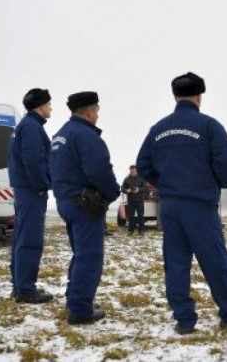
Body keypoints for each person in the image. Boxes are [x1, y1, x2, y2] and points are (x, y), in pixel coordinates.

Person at [136, 72, 227, 335]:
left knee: (176, 263)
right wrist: (217, 182)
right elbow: (226, 159)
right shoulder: (209, 126)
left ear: (175, 96)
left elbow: (143, 164)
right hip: (200, 206)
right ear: (199, 96)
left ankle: (184, 320)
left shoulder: (158, 129)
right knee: (215, 261)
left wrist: (166, 183)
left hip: (170, 207)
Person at [50, 92, 120, 324]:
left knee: (80, 254)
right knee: (89, 257)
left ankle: (76, 299)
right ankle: (80, 310)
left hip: (66, 201)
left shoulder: (61, 135)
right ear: (89, 111)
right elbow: (99, 171)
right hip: (84, 205)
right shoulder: (87, 137)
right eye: (97, 110)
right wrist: (113, 192)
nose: (98, 115)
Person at [8, 88, 53, 304]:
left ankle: (19, 285)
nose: (51, 107)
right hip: (31, 190)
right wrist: (43, 185)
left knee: (21, 237)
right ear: (40, 106)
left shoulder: (26, 126)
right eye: (49, 104)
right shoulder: (32, 127)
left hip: (24, 189)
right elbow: (34, 161)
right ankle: (25, 289)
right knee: (30, 239)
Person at [121, 165, 148, 235]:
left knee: (140, 216)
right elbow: (122, 188)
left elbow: (145, 188)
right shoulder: (126, 179)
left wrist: (138, 189)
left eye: (133, 172)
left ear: (136, 171)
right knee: (131, 216)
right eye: (131, 171)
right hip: (130, 200)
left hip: (139, 200)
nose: (132, 173)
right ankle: (130, 231)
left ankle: (141, 231)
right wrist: (127, 190)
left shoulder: (141, 178)